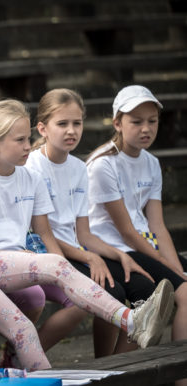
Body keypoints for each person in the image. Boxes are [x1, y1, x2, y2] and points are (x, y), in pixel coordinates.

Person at [0, 99, 174, 360]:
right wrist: (40, 262)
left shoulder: (32, 178)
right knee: (38, 298)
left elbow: (44, 232)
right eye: (20, 141)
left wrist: (65, 272)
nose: (29, 146)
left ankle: (17, 358)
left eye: (28, 138)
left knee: (80, 295)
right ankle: (133, 321)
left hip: (30, 262)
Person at [25, 88, 158, 358]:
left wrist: (120, 255)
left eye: (77, 123)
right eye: (62, 124)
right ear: (42, 128)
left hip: (74, 250)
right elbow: (40, 233)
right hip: (43, 251)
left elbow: (83, 233)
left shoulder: (78, 168)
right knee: (110, 292)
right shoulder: (32, 167)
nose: (71, 130)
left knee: (144, 288)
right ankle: (24, 354)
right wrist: (89, 257)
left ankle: (115, 365)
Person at [86, 85, 187, 365]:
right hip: (114, 247)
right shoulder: (103, 164)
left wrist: (175, 266)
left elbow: (157, 225)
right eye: (136, 121)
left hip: (141, 244)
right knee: (171, 296)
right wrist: (167, 266)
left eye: (152, 121)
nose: (146, 128)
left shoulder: (152, 163)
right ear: (117, 123)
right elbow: (126, 231)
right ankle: (119, 371)